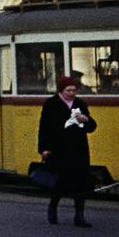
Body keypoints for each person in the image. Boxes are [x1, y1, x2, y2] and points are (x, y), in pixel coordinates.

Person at [38, 75, 97, 227]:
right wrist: (44, 148)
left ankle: (79, 215)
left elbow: (92, 127)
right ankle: (53, 209)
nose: (71, 93)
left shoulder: (80, 104)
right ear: (61, 90)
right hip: (59, 149)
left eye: (74, 90)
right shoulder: (51, 104)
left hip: (79, 149)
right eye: (68, 90)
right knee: (60, 181)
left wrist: (87, 120)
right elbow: (44, 127)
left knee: (80, 183)